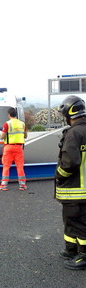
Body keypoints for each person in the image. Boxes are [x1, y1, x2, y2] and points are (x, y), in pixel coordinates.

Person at [55, 95, 86, 270]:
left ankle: (83, 256)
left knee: (77, 222)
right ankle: (72, 249)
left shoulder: (74, 133)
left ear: (69, 114)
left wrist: (59, 175)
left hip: (75, 189)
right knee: (72, 220)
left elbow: (69, 163)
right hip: (82, 187)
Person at [0, 107, 27, 191]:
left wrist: (1, 136)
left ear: (9, 115)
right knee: (20, 166)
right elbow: (25, 135)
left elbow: (2, 136)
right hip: (19, 147)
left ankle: (4, 185)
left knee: (6, 166)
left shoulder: (7, 124)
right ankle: (22, 185)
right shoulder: (22, 124)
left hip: (9, 147)